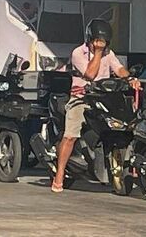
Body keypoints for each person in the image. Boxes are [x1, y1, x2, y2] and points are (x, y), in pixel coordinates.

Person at [50, 19, 141, 193]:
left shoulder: (109, 53)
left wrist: (130, 78)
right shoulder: (78, 53)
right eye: (98, 41)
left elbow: (118, 69)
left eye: (104, 42)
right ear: (90, 39)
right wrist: (98, 53)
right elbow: (90, 74)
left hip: (104, 97)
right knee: (70, 136)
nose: (101, 44)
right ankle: (59, 174)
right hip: (81, 98)